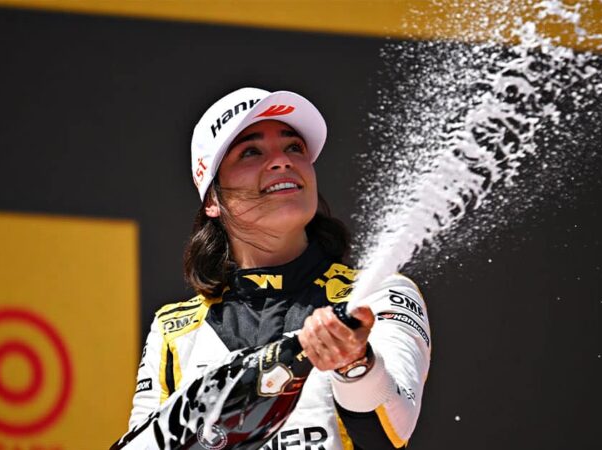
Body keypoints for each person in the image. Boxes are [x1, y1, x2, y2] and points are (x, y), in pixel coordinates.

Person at [125, 87, 431, 449]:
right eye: (251, 151)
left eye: (294, 148)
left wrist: (355, 364)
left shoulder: (374, 295)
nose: (282, 161)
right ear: (212, 199)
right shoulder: (175, 332)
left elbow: (392, 433)